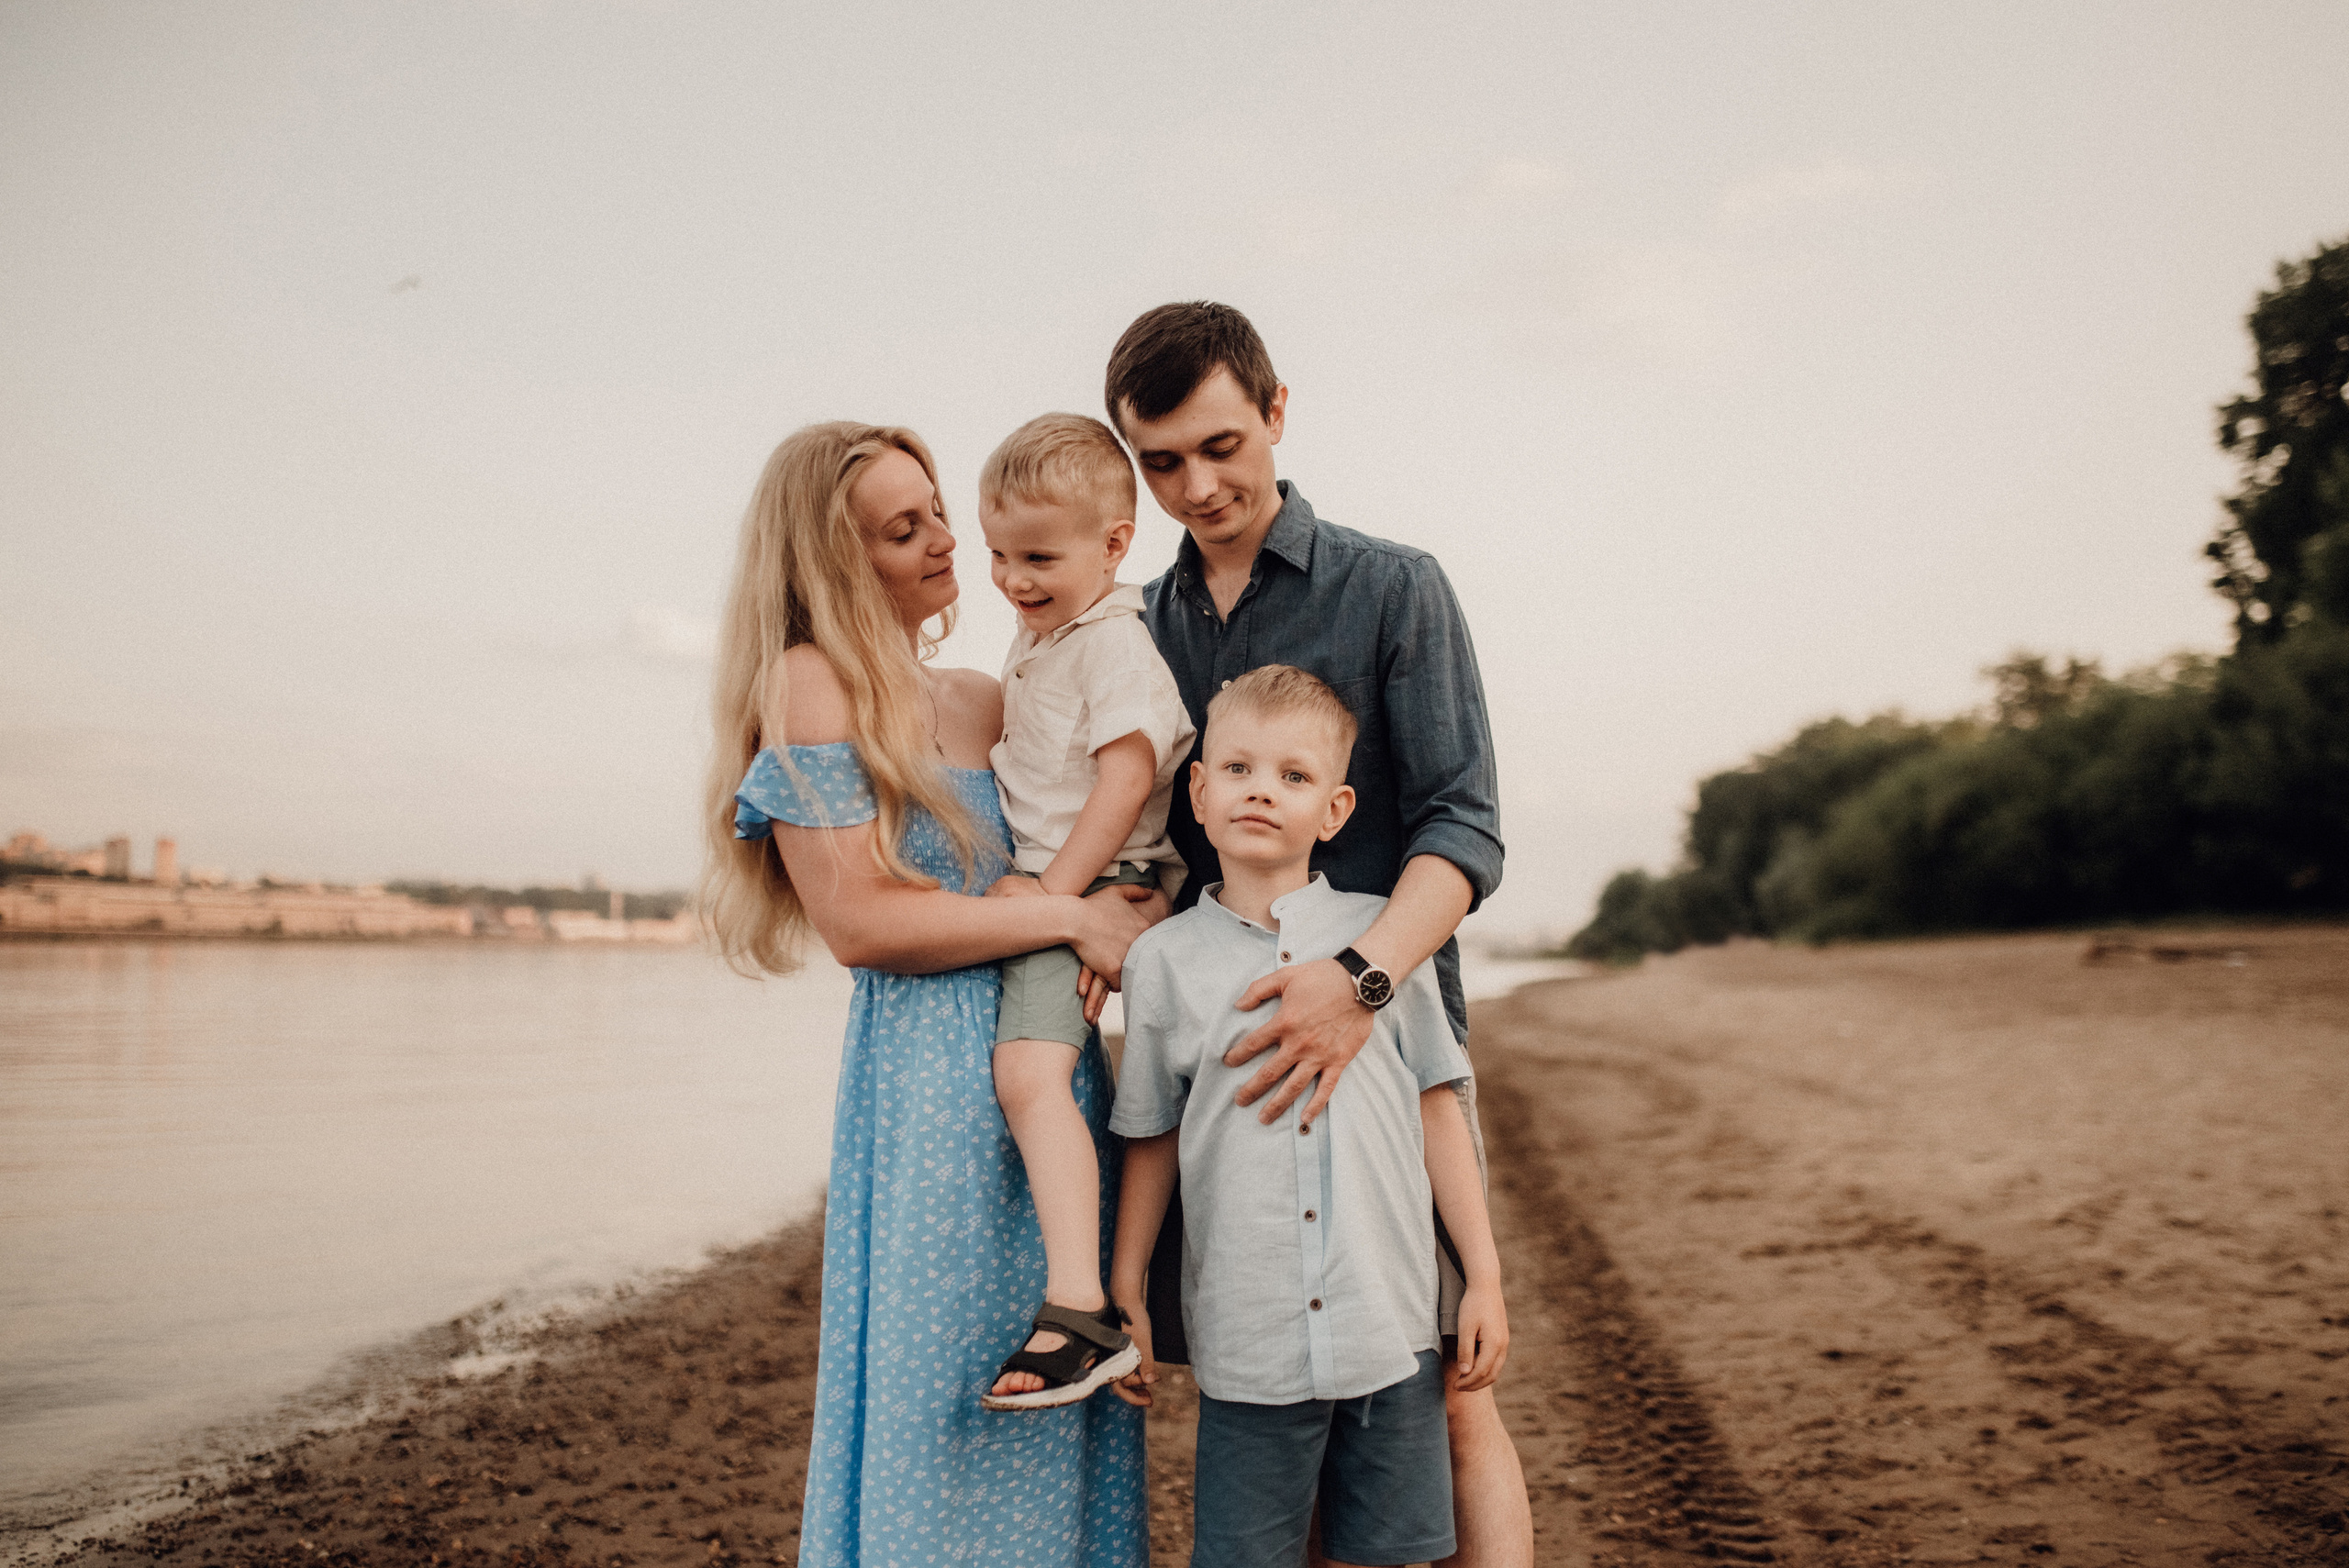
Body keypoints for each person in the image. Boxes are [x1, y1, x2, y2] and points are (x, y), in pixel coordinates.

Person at [1108, 302, 1537, 1564]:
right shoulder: (1139, 627)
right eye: (1163, 463)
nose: (1199, 485)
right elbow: (1136, 836)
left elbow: (1465, 829)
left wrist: (1359, 982)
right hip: (1232, 1062)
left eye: (1222, 446)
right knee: (1270, 1399)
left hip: (1387, 1038)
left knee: (1448, 1398)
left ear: (1278, 412)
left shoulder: (1394, 586)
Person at [701, 421, 1155, 1567]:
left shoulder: (989, 694)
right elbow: (860, 921)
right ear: (836, 563)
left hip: (1049, 1067)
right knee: (941, 1395)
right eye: (906, 529)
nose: (950, 542)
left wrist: (1130, 909)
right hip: (929, 1092)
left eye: (938, 508)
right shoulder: (813, 685)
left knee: (1062, 1377)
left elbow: (1110, 830)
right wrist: (1067, 914)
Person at [1108, 665, 1508, 1568]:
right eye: (1239, 767)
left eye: (1293, 775)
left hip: (1388, 1326)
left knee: (1385, 1554)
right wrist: (1127, 1282)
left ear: (1333, 810)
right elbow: (1151, 1133)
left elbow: (1438, 1111)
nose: (1261, 788)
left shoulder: (1383, 941)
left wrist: (1481, 1275)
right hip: (1250, 1339)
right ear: (1199, 792)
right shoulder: (1163, 961)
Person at [972, 414, 1197, 1411]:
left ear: (1114, 543)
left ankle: (1079, 1308)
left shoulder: (1111, 645)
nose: (1013, 578)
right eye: (997, 554)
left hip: (1105, 877)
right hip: (1080, 879)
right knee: (1068, 1075)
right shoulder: (1046, 634)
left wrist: (1057, 898)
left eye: (1037, 556)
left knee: (1030, 1070)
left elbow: (1125, 776)